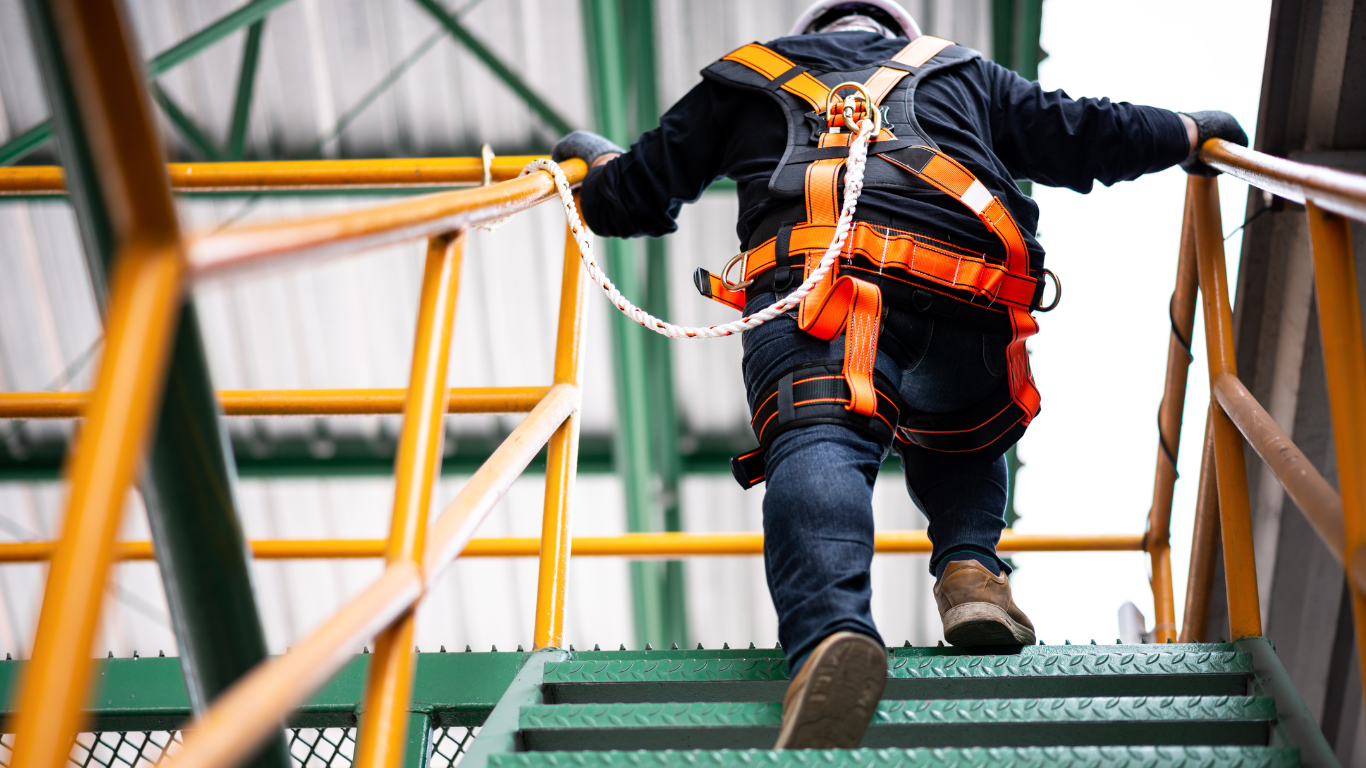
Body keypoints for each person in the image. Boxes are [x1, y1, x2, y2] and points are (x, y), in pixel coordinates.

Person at [553, 0, 1248, 749]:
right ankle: (972, 574)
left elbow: (628, 196)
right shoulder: (960, 72)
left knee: (819, 442)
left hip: (823, 295)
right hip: (969, 300)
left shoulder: (743, 79)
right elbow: (1081, 133)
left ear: (809, 38)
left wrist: (589, 163)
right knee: (961, 437)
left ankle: (830, 637)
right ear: (900, 40)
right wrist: (1184, 131)